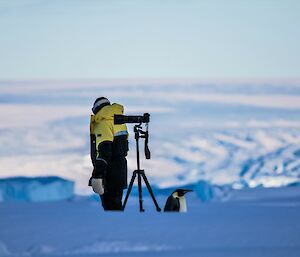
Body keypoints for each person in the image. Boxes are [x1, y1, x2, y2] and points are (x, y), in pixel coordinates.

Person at [89, 97, 129, 210]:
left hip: (108, 173)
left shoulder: (103, 124)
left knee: (110, 208)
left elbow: (104, 152)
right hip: (120, 170)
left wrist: (98, 174)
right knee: (116, 206)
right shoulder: (119, 122)